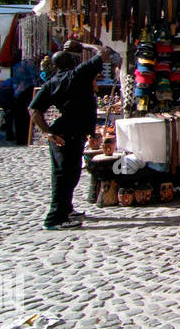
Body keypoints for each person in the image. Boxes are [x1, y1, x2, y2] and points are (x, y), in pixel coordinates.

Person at [29, 41, 119, 230]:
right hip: (67, 134)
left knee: (68, 174)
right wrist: (85, 44)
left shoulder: (51, 83)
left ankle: (66, 209)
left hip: (64, 133)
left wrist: (48, 131)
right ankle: (55, 218)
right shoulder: (78, 74)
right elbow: (105, 51)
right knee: (64, 176)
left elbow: (34, 110)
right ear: (72, 62)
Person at [0, 58, 37, 145]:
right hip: (19, 92)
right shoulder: (28, 64)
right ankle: (23, 138)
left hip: (14, 93)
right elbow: (33, 78)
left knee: (12, 115)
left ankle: (13, 136)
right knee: (23, 116)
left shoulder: (16, 67)